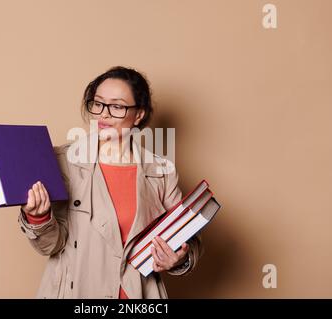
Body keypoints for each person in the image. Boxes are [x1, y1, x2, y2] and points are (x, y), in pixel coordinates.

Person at [18, 66, 203, 299]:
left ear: (139, 115)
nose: (103, 114)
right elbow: (50, 246)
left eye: (116, 106)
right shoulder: (62, 162)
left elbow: (188, 238)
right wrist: (38, 217)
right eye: (98, 103)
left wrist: (179, 258)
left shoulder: (162, 172)